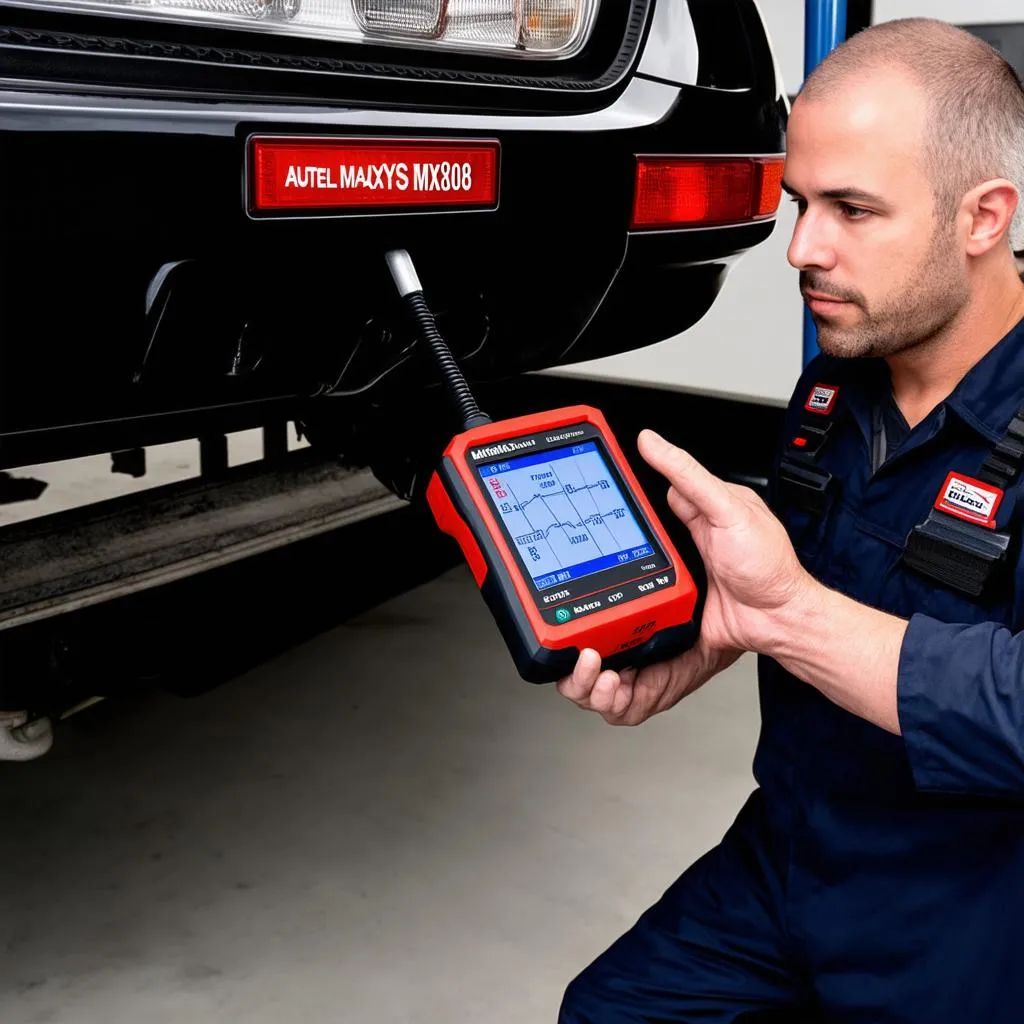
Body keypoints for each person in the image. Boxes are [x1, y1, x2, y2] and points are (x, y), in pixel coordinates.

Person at [556, 17, 1024, 1024]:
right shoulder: (835, 383)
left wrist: (781, 618)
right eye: (800, 202)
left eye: (852, 210)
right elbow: (808, 569)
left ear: (982, 217)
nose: (801, 248)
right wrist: (704, 626)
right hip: (794, 855)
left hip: (977, 910)